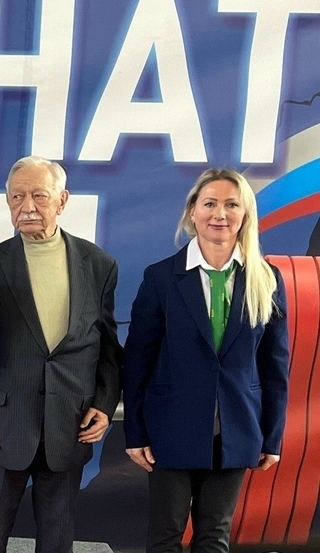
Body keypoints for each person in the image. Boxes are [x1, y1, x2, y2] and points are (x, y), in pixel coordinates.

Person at [0, 156, 122, 553]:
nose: (27, 206)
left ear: (62, 200)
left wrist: (104, 404)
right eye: (17, 197)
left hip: (69, 424)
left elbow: (108, 347)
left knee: (57, 540)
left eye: (39, 196)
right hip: (0, 429)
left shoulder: (99, 265)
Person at [123, 168, 290, 553]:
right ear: (192, 211)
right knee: (165, 534)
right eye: (210, 203)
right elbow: (138, 361)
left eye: (232, 204)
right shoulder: (161, 277)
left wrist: (272, 436)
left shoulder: (267, 279)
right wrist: (135, 433)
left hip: (236, 429)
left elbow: (274, 366)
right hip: (170, 428)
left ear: (245, 214)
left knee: (215, 536)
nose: (220, 214)